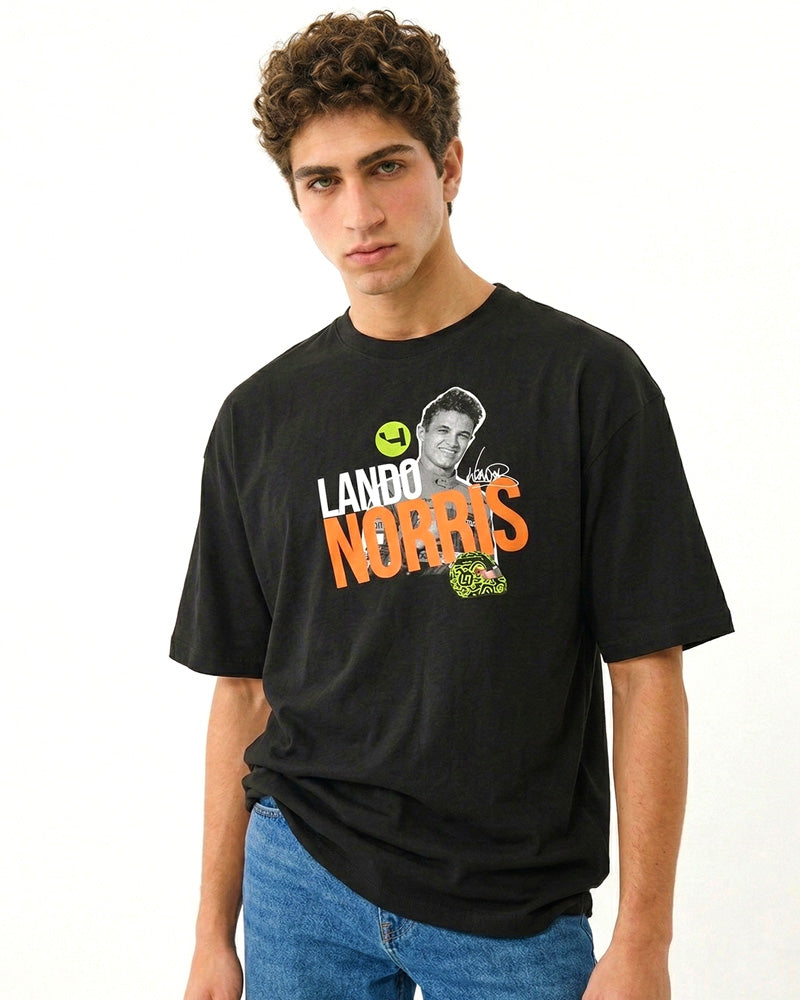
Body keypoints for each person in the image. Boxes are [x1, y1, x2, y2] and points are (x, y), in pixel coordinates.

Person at [170, 11, 733, 1000]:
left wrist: (643, 939)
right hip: (300, 881)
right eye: (322, 181)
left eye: (386, 167)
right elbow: (241, 689)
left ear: (450, 166)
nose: (359, 213)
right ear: (296, 197)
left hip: (509, 909)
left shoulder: (585, 383)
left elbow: (647, 672)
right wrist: (213, 937)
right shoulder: (259, 418)